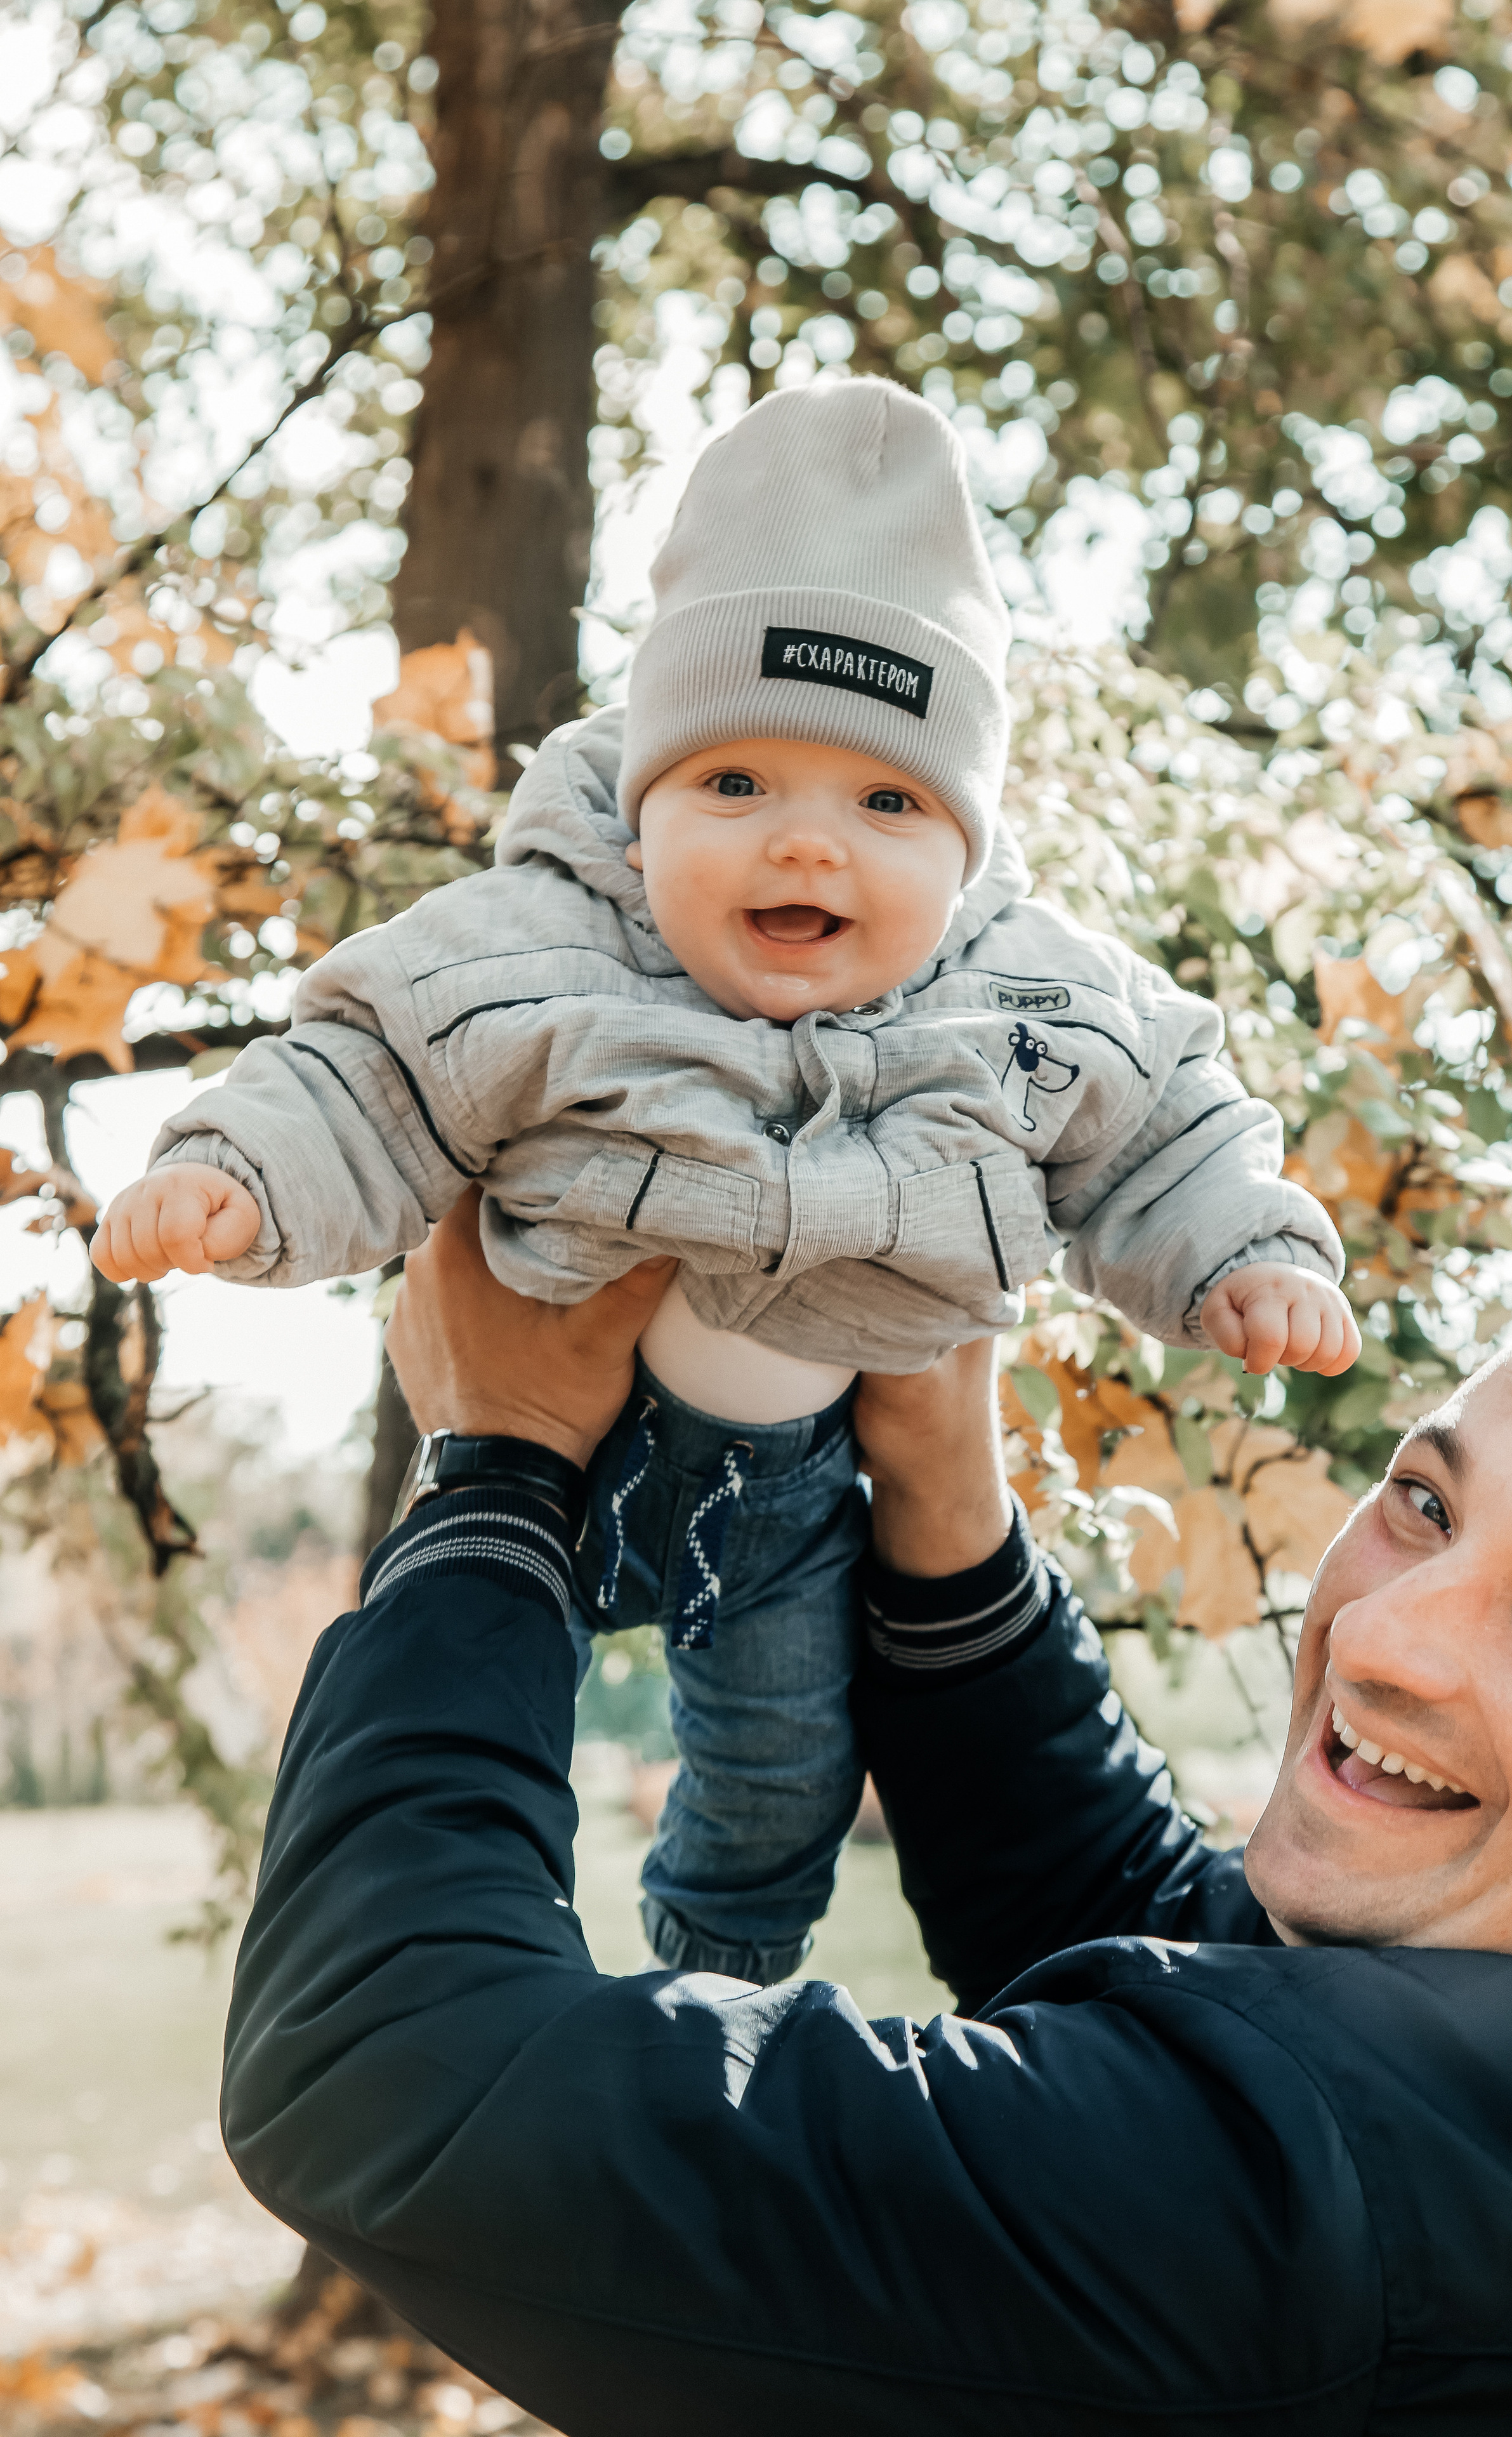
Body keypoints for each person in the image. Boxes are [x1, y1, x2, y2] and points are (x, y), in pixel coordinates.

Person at [96, 380, 1356, 1986]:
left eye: (887, 801)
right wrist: (239, 1173)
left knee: (781, 1782)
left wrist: (1243, 1254)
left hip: (795, 1500)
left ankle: (711, 1987)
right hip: (546, 1442)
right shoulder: (539, 945)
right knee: (465, 1689)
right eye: (735, 785)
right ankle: (448, 1970)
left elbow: (1168, 1121)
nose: (806, 846)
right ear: (643, 809)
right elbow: (369, 1067)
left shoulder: (1031, 999)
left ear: (964, 845)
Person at [219, 1194, 1512, 2431]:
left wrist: (501, 1475)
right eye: (1426, 1502)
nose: (1377, 1636)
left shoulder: (1328, 2208)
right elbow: (1180, 1951)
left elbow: (389, 2069)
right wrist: (947, 1501)